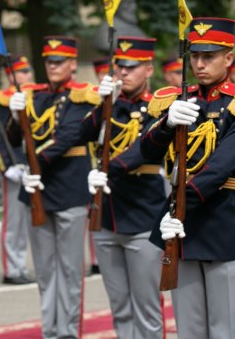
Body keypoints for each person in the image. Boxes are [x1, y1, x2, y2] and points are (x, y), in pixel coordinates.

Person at [142, 17, 235, 338]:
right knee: (190, 331)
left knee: (227, 331)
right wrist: (166, 124)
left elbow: (220, 168)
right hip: (183, 231)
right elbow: (145, 152)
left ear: (228, 59)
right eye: (194, 56)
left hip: (223, 225)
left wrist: (169, 213)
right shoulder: (177, 100)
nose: (199, 63)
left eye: (208, 56)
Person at [7, 35, 97, 339]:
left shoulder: (83, 96)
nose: (53, 66)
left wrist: (33, 166)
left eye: (59, 61)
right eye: (49, 61)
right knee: (45, 271)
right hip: (37, 191)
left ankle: (68, 332)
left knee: (71, 271)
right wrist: (15, 115)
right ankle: (50, 331)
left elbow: (68, 137)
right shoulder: (34, 95)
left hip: (69, 187)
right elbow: (14, 138)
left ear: (73, 64)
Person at [81, 37, 166, 338]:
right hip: (106, 218)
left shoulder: (158, 106)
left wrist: (107, 169)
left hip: (142, 215)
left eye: (132, 68)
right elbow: (83, 133)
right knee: (119, 306)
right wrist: (103, 103)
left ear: (148, 70)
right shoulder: (111, 104)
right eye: (120, 68)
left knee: (146, 307)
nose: (124, 74)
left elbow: (145, 149)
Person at [0, 55, 34, 285]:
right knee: (14, 222)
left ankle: (23, 265)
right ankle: (12, 269)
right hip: (15, 169)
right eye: (22, 72)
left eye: (28, 71)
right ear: (11, 75)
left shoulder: (33, 97)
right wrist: (6, 167)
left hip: (34, 168)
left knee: (32, 222)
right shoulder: (3, 100)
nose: (27, 76)